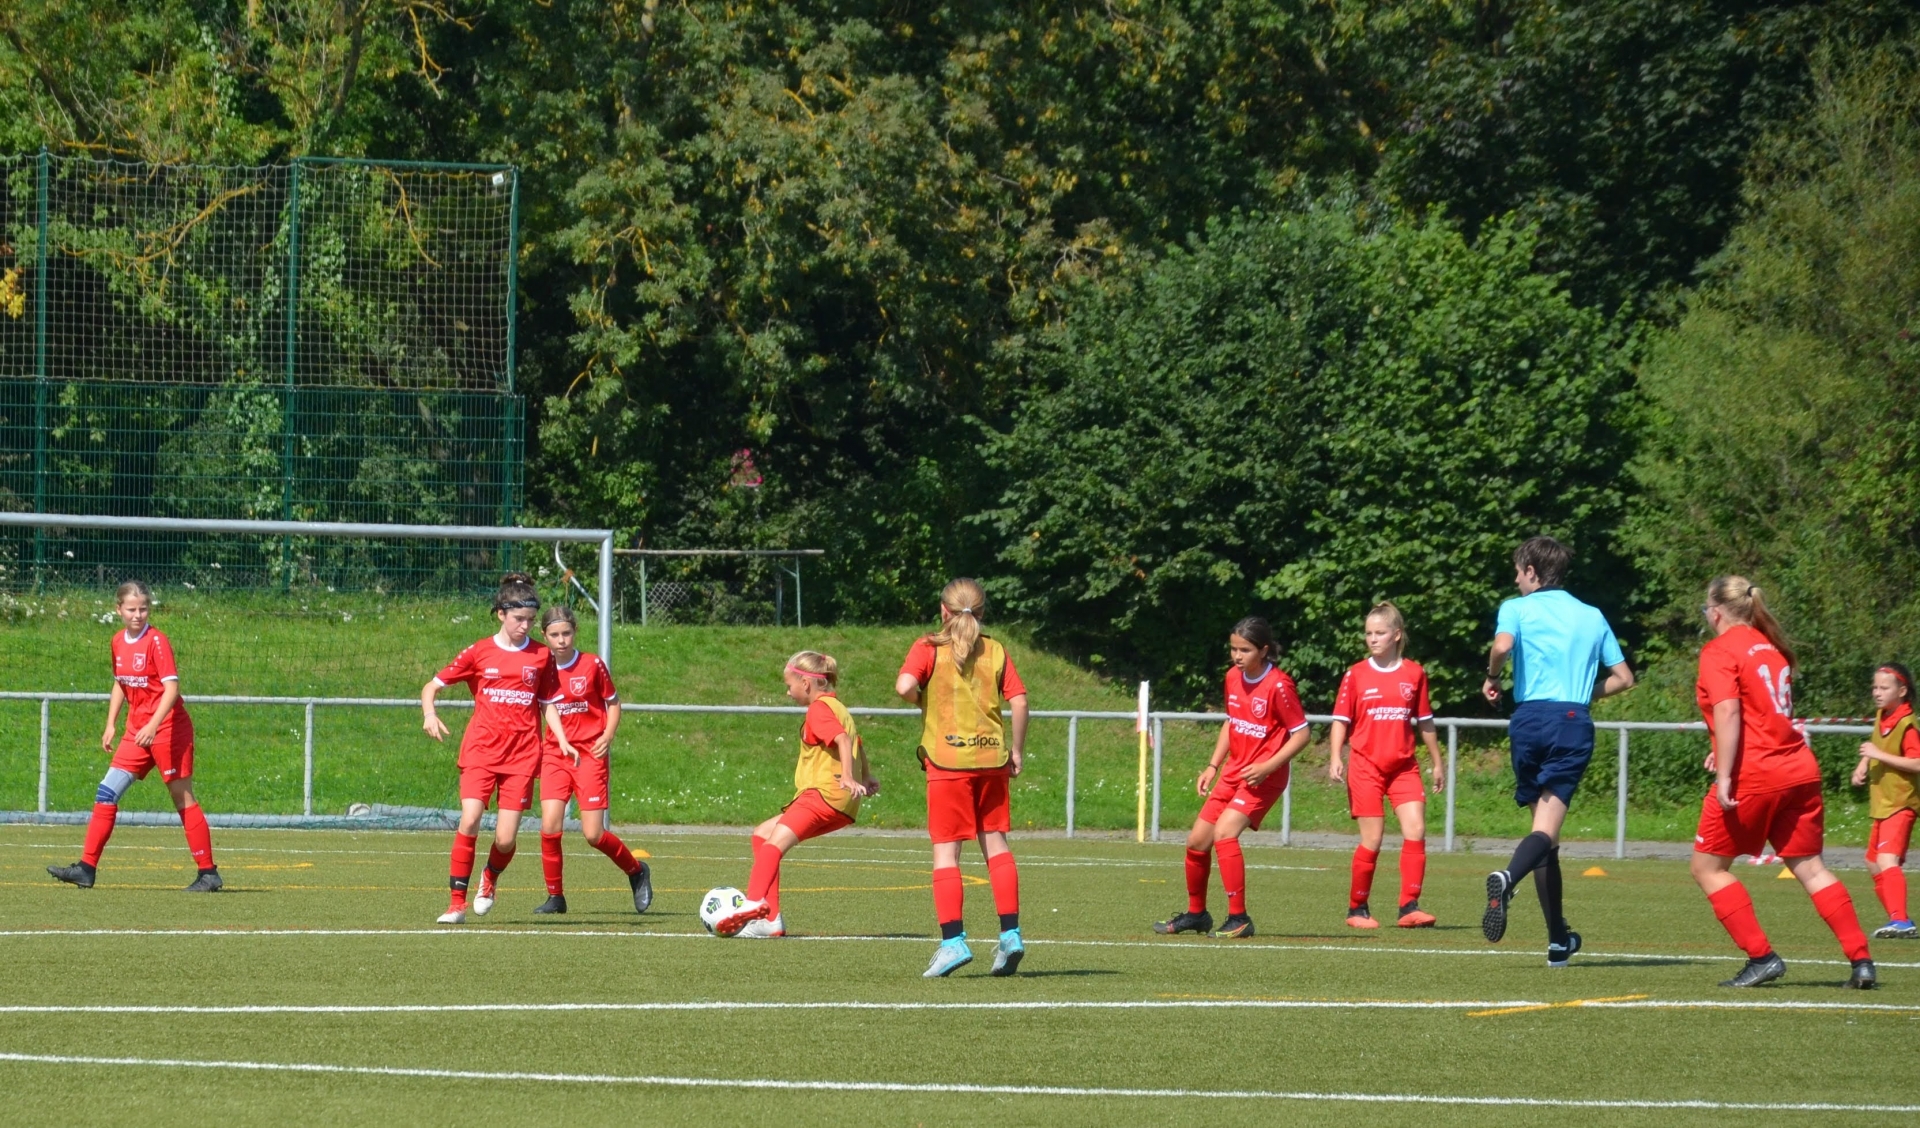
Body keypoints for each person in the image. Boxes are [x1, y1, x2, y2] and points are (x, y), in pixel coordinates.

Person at [1689, 576, 1876, 988]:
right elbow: (1761, 716)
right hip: (1798, 768)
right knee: (1811, 868)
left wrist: (1724, 774)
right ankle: (1861, 961)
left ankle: (1762, 957)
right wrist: (1722, 749)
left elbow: (1729, 713)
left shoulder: (1719, 649)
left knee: (1708, 867)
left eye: (1706, 608)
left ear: (1716, 611)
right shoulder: (1768, 647)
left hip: (1756, 773)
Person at [1481, 535, 1634, 966]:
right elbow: (1624, 677)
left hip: (1528, 719)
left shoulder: (1517, 608)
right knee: (1545, 832)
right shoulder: (1591, 615)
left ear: (1532, 572)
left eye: (1517, 572)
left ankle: (1557, 940)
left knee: (1545, 838)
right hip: (1570, 720)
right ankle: (1508, 877)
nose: (1515, 580)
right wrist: (1583, 695)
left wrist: (1492, 676)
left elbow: (1503, 647)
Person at [47, 580, 221, 893]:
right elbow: (120, 683)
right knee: (106, 792)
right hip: (136, 731)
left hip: (168, 729)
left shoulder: (157, 641)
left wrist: (154, 725)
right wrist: (111, 722)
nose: (137, 614)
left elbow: (171, 689)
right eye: (131, 609)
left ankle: (208, 873)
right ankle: (86, 869)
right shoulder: (117, 642)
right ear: (118, 610)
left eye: (143, 608)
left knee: (181, 797)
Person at [896, 578, 1029, 978]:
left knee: (946, 853)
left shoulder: (929, 647)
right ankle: (1011, 936)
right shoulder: (996, 649)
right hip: (991, 757)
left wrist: (923, 698)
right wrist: (1017, 750)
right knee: (997, 846)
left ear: (943, 610)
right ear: (982, 612)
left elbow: (904, 686)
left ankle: (953, 941)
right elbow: (1020, 701)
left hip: (947, 760)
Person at [1153, 617, 1311, 940]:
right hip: (1234, 771)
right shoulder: (1232, 678)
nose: (1237, 656)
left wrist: (1268, 766)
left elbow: (1302, 734)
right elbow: (1232, 722)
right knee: (1197, 841)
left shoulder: (1279, 685)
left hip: (1262, 778)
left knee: (1225, 833)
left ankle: (1239, 918)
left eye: (1245, 650)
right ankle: (1197, 914)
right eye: (1233, 649)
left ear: (1264, 650)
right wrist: (1212, 766)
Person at [713, 650, 879, 938]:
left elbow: (841, 739)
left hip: (823, 794)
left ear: (806, 683)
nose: (788, 693)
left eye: (790, 686)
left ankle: (752, 908)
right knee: (763, 833)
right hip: (843, 804)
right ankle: (772, 919)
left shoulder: (818, 709)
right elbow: (855, 741)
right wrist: (866, 775)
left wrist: (851, 776)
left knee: (772, 846)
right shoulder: (839, 707)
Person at [420, 572, 553, 925]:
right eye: (519, 619)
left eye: (530, 620)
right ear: (500, 614)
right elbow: (430, 687)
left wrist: (562, 740)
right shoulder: (479, 651)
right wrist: (429, 714)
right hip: (481, 750)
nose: (526, 626)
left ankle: (490, 877)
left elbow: (548, 703)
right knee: (471, 818)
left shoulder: (542, 656)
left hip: (523, 755)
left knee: (506, 839)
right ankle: (456, 904)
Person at [1328, 603, 1444, 929]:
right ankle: (1357, 908)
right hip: (1365, 766)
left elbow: (1425, 722)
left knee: (1416, 829)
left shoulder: (1414, 673)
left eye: (1380, 633)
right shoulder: (1355, 674)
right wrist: (1336, 756)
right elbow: (1340, 721)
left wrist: (1437, 763)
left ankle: (1409, 907)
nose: (1372, 639)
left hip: (1403, 766)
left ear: (1396, 635)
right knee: (1373, 838)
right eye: (1368, 633)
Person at [531, 606, 652, 916]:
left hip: (590, 755)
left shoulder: (592, 665)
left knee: (593, 834)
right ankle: (555, 897)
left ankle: (636, 870)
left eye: (566, 633)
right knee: (549, 826)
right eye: (554, 635)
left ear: (575, 632)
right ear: (544, 636)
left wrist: (607, 736)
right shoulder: (540, 667)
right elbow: (544, 707)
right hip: (556, 755)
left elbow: (613, 703)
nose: (561, 640)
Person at [1851, 663, 1920, 939]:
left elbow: (1916, 762)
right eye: (1874, 687)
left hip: (1901, 804)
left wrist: (1877, 755)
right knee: (1872, 862)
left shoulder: (1907, 724)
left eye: (1884, 688)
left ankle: (1901, 921)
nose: (1877, 693)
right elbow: (1877, 745)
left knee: (1886, 859)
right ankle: (1898, 917)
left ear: (1902, 691)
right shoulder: (1884, 715)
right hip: (1883, 803)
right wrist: (1864, 763)